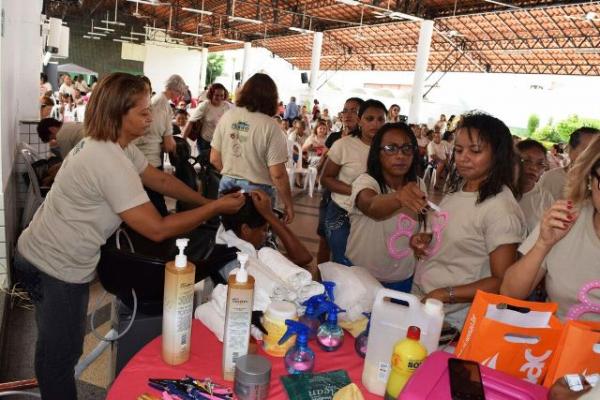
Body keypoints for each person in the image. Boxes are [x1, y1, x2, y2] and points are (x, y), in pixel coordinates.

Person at [15, 73, 245, 400]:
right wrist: (215, 209)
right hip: (55, 266)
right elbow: (157, 228)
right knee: (60, 358)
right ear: (117, 115)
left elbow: (161, 182)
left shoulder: (116, 146)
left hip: (44, 254)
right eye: (141, 111)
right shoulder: (107, 159)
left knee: (55, 349)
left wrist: (209, 202)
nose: (150, 116)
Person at [411, 112, 526, 329]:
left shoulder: (500, 208)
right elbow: (460, 236)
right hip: (428, 302)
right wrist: (427, 239)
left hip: (455, 320)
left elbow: (502, 280)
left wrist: (446, 294)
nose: (463, 158)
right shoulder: (459, 189)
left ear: (498, 155)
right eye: (459, 150)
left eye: (475, 151)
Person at [501, 136, 600, 321]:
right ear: (590, 178)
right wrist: (542, 245)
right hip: (553, 344)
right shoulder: (565, 218)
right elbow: (509, 293)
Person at [347, 123, 427, 292]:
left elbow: (423, 224)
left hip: (402, 277)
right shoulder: (366, 182)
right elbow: (371, 205)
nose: (400, 155)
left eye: (407, 148)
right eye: (391, 148)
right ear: (377, 153)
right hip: (362, 276)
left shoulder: (418, 184)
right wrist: (399, 197)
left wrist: (422, 238)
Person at [210, 73, 294, 224]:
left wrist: (234, 174)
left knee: (227, 235)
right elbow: (278, 174)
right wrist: (288, 204)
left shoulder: (228, 116)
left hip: (227, 186)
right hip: (258, 192)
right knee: (255, 241)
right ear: (272, 98)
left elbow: (214, 158)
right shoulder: (271, 126)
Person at [321, 99, 387, 264]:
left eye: (380, 119)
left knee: (365, 265)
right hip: (342, 213)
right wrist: (358, 192)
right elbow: (326, 179)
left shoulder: (388, 149)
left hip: (371, 217)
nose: (376, 124)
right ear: (360, 120)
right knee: (343, 264)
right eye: (369, 119)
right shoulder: (344, 145)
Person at [214, 189, 312, 280]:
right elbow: (303, 257)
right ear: (246, 230)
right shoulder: (239, 264)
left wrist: (268, 213)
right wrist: (269, 215)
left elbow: (302, 258)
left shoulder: (228, 239)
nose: (267, 235)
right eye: (264, 230)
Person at [315, 97, 364, 264]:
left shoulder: (366, 142)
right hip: (331, 194)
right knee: (324, 238)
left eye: (354, 110)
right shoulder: (335, 137)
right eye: (345, 110)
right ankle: (320, 277)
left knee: (348, 246)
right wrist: (319, 170)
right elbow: (324, 160)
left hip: (355, 201)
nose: (348, 114)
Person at [135, 74, 186, 215]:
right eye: (180, 93)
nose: (180, 96)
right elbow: (169, 144)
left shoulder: (153, 101)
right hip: (151, 159)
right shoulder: (164, 106)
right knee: (156, 202)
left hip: (135, 157)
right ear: (175, 90)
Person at [540, 127, 599, 201]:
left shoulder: (596, 184)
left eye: (597, 152)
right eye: (587, 151)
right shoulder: (550, 179)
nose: (593, 156)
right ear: (570, 150)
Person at [515, 139, 554, 233]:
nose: (534, 168)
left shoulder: (545, 197)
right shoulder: (498, 192)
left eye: (540, 164)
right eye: (527, 161)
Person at [184, 83, 231, 158]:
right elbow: (191, 121)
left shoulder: (227, 106)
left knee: (215, 165)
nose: (219, 98)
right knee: (206, 164)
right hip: (205, 142)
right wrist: (183, 139)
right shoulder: (205, 105)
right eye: (216, 95)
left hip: (219, 142)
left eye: (221, 95)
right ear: (211, 94)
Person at [426, 125, 451, 190]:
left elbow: (447, 154)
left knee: (451, 165)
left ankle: (449, 183)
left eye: (439, 137)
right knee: (441, 164)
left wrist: (447, 160)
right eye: (436, 137)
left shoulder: (443, 144)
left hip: (443, 160)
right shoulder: (431, 144)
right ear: (433, 137)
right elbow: (433, 156)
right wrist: (442, 161)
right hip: (433, 161)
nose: (438, 138)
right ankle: (437, 183)